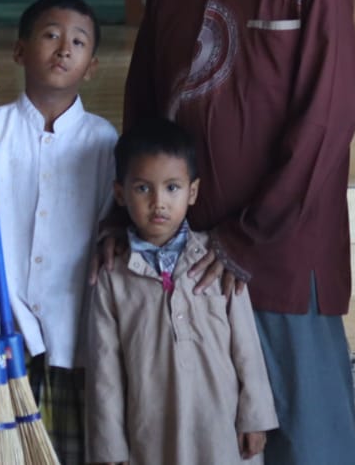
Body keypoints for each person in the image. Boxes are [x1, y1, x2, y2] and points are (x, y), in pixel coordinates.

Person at [120, 0, 355, 463]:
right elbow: (144, 120)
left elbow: (325, 125)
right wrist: (138, 225)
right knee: (203, 445)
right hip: (188, 262)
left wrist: (244, 239)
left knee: (306, 447)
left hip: (281, 260)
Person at [86, 116, 277, 464]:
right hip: (151, 433)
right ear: (120, 194)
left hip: (221, 431)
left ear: (192, 192)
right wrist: (109, 449)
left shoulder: (216, 261)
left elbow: (247, 347)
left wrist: (255, 417)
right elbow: (105, 371)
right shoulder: (113, 275)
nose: (158, 202)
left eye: (172, 188)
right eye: (143, 188)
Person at [0, 0, 116, 463]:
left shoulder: (103, 141)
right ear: (20, 51)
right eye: (50, 36)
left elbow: (107, 231)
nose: (64, 49)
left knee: (71, 450)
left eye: (78, 42)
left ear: (92, 66)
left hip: (73, 328)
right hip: (5, 325)